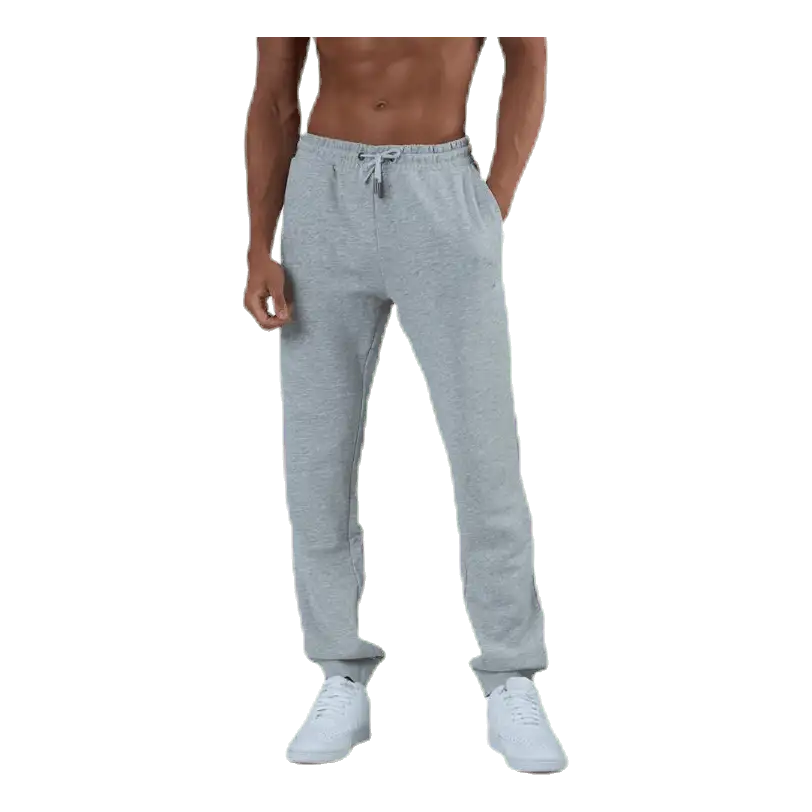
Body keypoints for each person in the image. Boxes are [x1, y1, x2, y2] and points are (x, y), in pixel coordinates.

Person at [244, 32, 566, 774]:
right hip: (323, 189)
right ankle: (337, 675)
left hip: (440, 187)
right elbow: (275, 91)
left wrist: (490, 207)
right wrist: (261, 244)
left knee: (485, 450)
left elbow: (528, 59)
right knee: (317, 454)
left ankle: (511, 678)